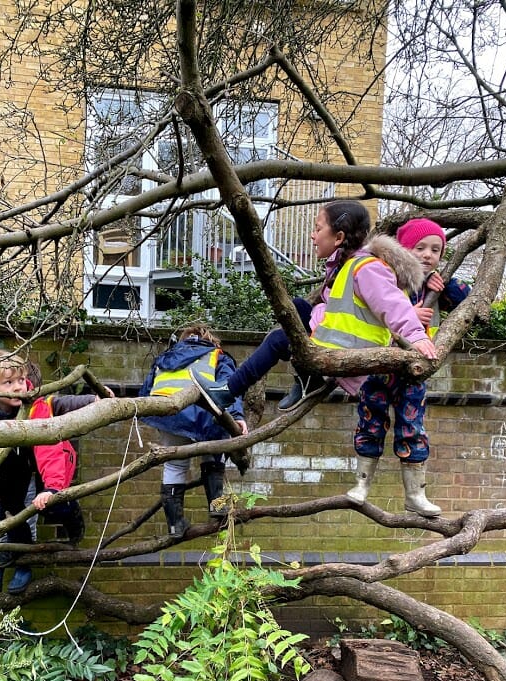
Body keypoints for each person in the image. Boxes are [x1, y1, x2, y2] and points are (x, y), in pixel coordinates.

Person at [190, 200, 439, 514]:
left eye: (317, 228)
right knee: (298, 307)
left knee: (283, 337)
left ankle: (227, 392)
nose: (311, 235)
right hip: (336, 348)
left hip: (346, 358)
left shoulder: (367, 267)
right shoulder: (345, 267)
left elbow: (393, 305)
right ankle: (302, 378)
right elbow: (338, 312)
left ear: (338, 237)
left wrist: (416, 337)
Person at [0, 350, 105, 596]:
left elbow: (50, 451)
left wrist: (52, 489)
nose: (17, 388)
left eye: (21, 380)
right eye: (8, 382)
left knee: (38, 512)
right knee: (2, 520)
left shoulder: (36, 406)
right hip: (6, 476)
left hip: (37, 472)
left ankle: (27, 563)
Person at [346, 217, 471, 515]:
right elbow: (378, 310)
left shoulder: (436, 283)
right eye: (420, 248)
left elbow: (470, 300)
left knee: (412, 429)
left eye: (436, 250)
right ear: (403, 249)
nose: (428, 255)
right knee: (370, 422)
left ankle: (415, 494)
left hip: (414, 371)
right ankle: (361, 485)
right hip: (379, 367)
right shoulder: (386, 276)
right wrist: (411, 313)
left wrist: (444, 285)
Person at [139, 324, 248, 538]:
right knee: (214, 457)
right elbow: (229, 388)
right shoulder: (217, 356)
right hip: (204, 414)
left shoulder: (165, 357)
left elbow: (146, 391)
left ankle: (175, 525)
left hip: (169, 415)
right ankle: (218, 508)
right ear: (210, 340)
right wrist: (237, 417)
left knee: (174, 465)